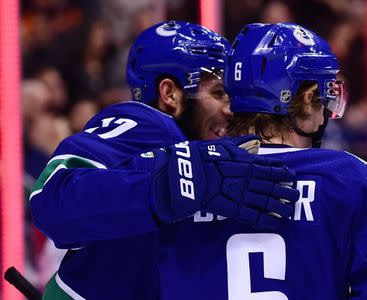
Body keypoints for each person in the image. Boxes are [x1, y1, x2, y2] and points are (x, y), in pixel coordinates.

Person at [30, 21, 298, 299]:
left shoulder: (222, 161)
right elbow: (51, 200)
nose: (232, 110)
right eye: (219, 93)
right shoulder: (144, 124)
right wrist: (169, 183)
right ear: (169, 93)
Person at [155, 23, 367, 299]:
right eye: (326, 95)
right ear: (308, 100)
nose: (325, 113)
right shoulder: (356, 181)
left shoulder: (174, 172)